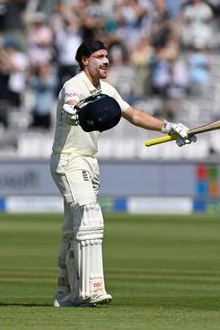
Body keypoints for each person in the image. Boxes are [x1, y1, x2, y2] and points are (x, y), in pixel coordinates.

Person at [50, 39, 196, 308]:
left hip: (89, 161)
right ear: (84, 60)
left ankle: (65, 295)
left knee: (73, 230)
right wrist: (71, 112)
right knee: (90, 215)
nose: (106, 61)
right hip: (69, 160)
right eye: (99, 56)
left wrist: (170, 127)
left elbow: (135, 115)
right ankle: (91, 290)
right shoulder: (73, 86)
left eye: (107, 56)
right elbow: (70, 105)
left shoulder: (106, 90)